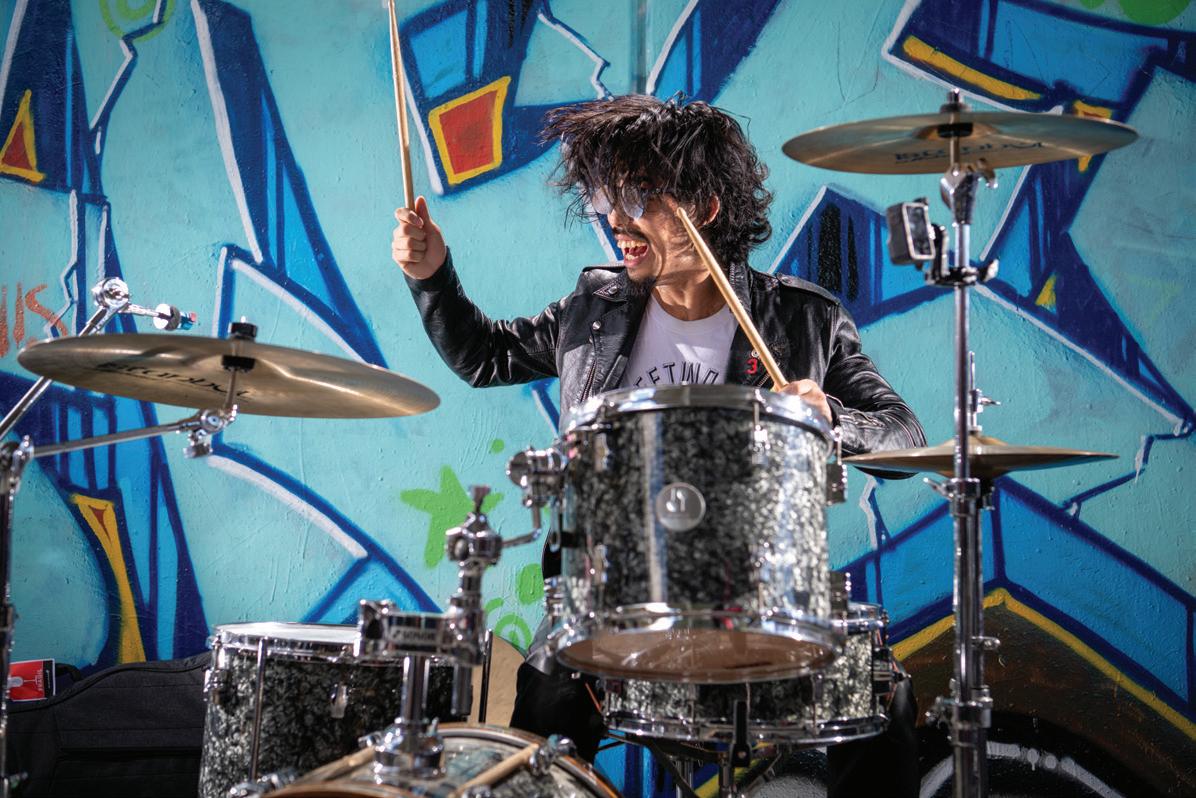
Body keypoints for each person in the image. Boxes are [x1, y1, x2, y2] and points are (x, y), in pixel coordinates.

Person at [392, 94, 925, 797]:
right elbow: (484, 356)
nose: (616, 220)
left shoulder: (803, 320)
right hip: (607, 600)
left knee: (881, 696)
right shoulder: (594, 311)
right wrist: (432, 276)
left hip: (750, 602)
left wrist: (830, 417)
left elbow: (903, 432)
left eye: (638, 199)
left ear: (704, 207)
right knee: (543, 710)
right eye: (609, 199)